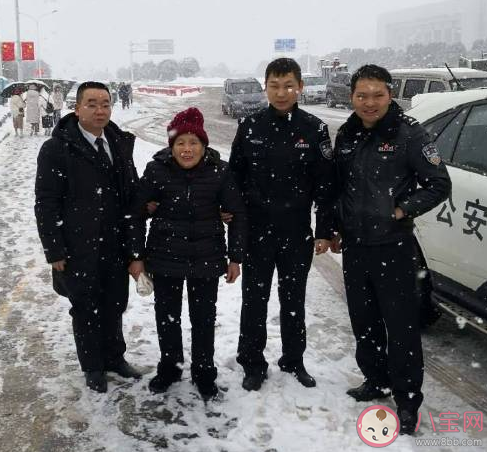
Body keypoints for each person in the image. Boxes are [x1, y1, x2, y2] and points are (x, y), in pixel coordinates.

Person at [331, 64, 451, 434]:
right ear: (352, 97)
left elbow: (438, 184)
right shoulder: (347, 135)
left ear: (390, 94)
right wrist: (336, 224)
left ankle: (407, 400)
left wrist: (401, 209)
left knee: (401, 327)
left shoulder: (409, 135)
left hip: (394, 248)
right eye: (362, 95)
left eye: (377, 95)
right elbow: (340, 186)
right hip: (355, 247)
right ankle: (375, 380)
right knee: (363, 321)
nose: (369, 102)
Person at [228, 58, 336, 391]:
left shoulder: (314, 129)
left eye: (288, 85)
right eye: (274, 85)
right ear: (266, 87)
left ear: (300, 87)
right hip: (258, 233)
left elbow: (326, 184)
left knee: (293, 300)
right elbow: (234, 176)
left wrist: (324, 231)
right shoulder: (250, 126)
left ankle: (293, 360)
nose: (281, 92)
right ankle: (252, 363)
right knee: (254, 301)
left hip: (295, 232)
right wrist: (230, 217)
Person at [127, 107, 247, 401]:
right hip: (165, 257)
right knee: (167, 317)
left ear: (204, 145)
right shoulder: (157, 170)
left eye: (194, 142)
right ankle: (170, 367)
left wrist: (235, 257)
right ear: (172, 145)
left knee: (204, 318)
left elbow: (238, 212)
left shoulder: (220, 171)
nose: (187, 149)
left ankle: (204, 372)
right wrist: (137, 256)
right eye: (180, 142)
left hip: (206, 258)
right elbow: (135, 214)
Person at [34, 81, 141, 393]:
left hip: (114, 243)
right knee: (85, 307)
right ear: (77, 108)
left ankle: (114, 357)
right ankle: (93, 366)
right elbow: (46, 202)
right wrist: (54, 249)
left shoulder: (119, 143)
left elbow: (130, 192)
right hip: (77, 246)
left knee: (115, 303)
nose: (100, 110)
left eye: (105, 104)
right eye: (92, 104)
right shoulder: (58, 149)